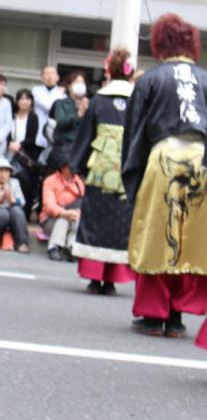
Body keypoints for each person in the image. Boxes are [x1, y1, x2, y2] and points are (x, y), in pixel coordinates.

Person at [122, 14, 207, 339]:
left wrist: (133, 178)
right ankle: (176, 315)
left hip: (164, 158)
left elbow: (135, 135)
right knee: (193, 239)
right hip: (202, 159)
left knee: (157, 234)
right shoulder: (204, 79)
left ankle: (152, 315)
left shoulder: (150, 80)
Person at [69, 48, 136, 295]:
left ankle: (95, 278)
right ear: (130, 75)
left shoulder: (99, 99)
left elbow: (85, 135)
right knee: (120, 224)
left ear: (109, 72)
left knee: (96, 222)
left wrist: (76, 165)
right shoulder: (137, 99)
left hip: (100, 170)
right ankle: (111, 280)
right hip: (127, 172)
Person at [40, 163, 85, 261]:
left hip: (73, 218)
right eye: (70, 165)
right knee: (63, 219)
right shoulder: (50, 180)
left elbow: (83, 202)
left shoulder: (78, 181)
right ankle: (54, 247)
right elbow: (49, 206)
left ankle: (71, 247)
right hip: (50, 219)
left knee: (77, 219)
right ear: (62, 167)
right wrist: (64, 213)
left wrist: (75, 212)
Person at [8, 89, 42, 216]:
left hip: (25, 154)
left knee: (25, 184)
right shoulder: (11, 114)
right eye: (21, 98)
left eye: (27, 99)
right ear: (17, 101)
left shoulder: (33, 117)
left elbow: (31, 138)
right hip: (9, 152)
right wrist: (10, 143)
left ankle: (24, 213)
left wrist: (19, 144)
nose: (24, 102)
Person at [47, 71, 88, 171]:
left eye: (82, 83)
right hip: (64, 151)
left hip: (83, 150)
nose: (80, 86)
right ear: (69, 86)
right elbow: (60, 123)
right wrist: (78, 114)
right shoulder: (60, 103)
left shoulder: (90, 104)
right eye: (76, 82)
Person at [31, 65, 64, 150]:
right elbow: (49, 106)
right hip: (37, 133)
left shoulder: (63, 95)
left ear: (57, 77)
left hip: (54, 134)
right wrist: (59, 95)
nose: (50, 76)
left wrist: (60, 94)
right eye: (47, 73)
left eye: (52, 73)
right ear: (42, 78)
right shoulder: (36, 90)